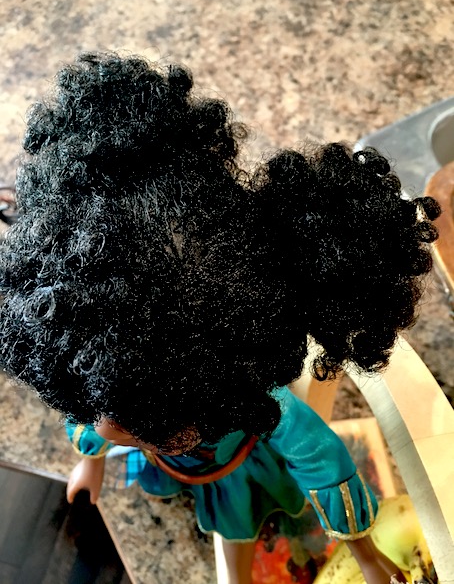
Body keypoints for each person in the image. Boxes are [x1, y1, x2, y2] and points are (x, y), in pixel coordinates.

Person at [0, 52, 440, 584]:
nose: (103, 428)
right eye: (96, 405)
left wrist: (364, 553)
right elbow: (99, 411)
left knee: (236, 532)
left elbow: (324, 459)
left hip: (233, 474)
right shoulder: (107, 376)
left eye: (154, 425)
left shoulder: (253, 401)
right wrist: (90, 460)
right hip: (183, 468)